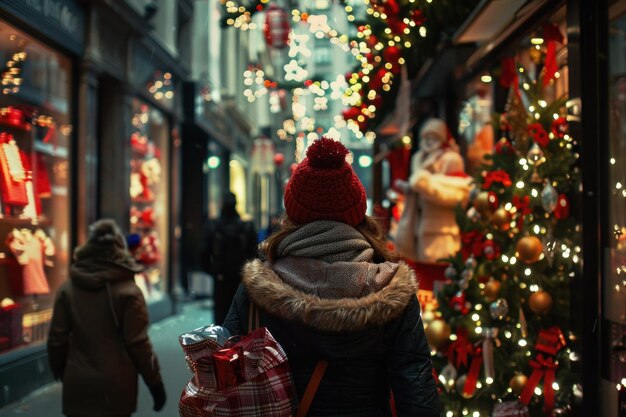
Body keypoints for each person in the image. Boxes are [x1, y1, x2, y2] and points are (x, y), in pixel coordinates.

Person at [223, 137, 442, 417]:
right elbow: (415, 385)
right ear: (356, 214)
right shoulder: (390, 289)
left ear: (292, 214)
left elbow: (226, 380)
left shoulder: (257, 290)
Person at [47, 219, 166, 417]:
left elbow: (56, 338)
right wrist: (155, 382)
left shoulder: (68, 290)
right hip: (116, 385)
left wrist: (60, 369)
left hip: (78, 380)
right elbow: (138, 344)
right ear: (120, 250)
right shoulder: (129, 292)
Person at [394, 118, 472, 263]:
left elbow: (457, 194)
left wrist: (423, 184)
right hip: (418, 227)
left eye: (434, 137)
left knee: (438, 275)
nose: (429, 141)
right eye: (426, 137)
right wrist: (410, 188)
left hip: (442, 231)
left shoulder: (451, 159)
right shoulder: (419, 158)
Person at [202, 191, 257, 325]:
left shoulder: (213, 226)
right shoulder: (246, 226)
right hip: (241, 276)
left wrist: (213, 271)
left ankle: (222, 342)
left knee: (221, 312)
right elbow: (255, 254)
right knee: (240, 312)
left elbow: (203, 253)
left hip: (221, 277)